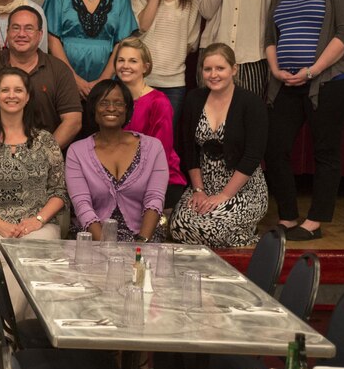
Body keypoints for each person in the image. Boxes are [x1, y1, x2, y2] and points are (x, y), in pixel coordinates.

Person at [265, 0, 344, 241]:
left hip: (329, 81)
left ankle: (315, 221)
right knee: (275, 148)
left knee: (325, 151)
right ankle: (288, 216)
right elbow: (270, 36)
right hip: (286, 83)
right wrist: (276, 70)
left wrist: (312, 71)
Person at [0, 67, 68, 319]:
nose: (12, 95)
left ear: (28, 96)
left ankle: (16, 333)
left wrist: (37, 220)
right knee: (4, 264)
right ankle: (15, 333)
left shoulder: (45, 140)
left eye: (18, 90)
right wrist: (0, 225)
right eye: (5, 90)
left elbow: (59, 191)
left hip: (39, 226)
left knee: (39, 264)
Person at [169, 44, 268, 247]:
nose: (213, 75)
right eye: (208, 69)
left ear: (234, 69)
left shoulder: (251, 103)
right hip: (204, 184)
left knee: (213, 228)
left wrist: (224, 195)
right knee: (178, 226)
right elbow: (189, 148)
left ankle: (244, 232)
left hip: (242, 187)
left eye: (220, 68)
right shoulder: (194, 99)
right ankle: (235, 234)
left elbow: (252, 156)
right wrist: (198, 190)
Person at [66, 79, 169, 243]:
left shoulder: (153, 148)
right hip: (93, 239)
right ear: (93, 109)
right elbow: (82, 205)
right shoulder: (76, 152)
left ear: (127, 109)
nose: (111, 108)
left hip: (144, 237)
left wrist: (141, 243)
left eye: (118, 103)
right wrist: (106, 248)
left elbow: (155, 199)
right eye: (103, 103)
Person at [0, 6, 82, 149]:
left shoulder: (59, 70)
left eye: (29, 28)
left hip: (45, 154)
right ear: (7, 32)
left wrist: (43, 154)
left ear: (40, 34)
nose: (21, 34)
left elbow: (73, 121)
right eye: (15, 28)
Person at [129, 0, 200, 118]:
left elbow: (190, 42)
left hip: (174, 84)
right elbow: (142, 26)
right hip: (141, 79)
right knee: (136, 133)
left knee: (165, 134)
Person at [115, 38, 186, 208]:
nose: (125, 66)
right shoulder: (112, 99)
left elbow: (160, 152)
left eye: (133, 61)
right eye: (121, 60)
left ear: (145, 67)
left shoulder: (158, 102)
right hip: (119, 176)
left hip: (157, 180)